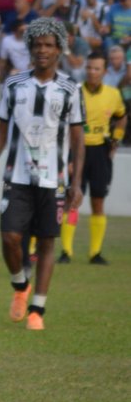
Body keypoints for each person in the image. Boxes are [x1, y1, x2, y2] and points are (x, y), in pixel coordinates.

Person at [0, 18, 86, 331]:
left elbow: (78, 139)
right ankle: (20, 285)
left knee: (46, 243)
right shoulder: (14, 85)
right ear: (29, 48)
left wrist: (77, 183)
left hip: (53, 180)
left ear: (59, 50)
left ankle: (37, 310)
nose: (42, 50)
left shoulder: (70, 90)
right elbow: (2, 128)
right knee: (10, 236)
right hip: (17, 176)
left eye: (49, 45)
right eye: (37, 44)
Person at [60, 51, 126, 264]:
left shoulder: (113, 94)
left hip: (100, 152)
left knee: (98, 202)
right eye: (89, 68)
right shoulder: (75, 92)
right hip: (77, 151)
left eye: (96, 68)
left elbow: (122, 117)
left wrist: (115, 139)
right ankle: (66, 251)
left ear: (105, 71)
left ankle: (95, 253)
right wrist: (67, 155)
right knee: (72, 200)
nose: (92, 72)